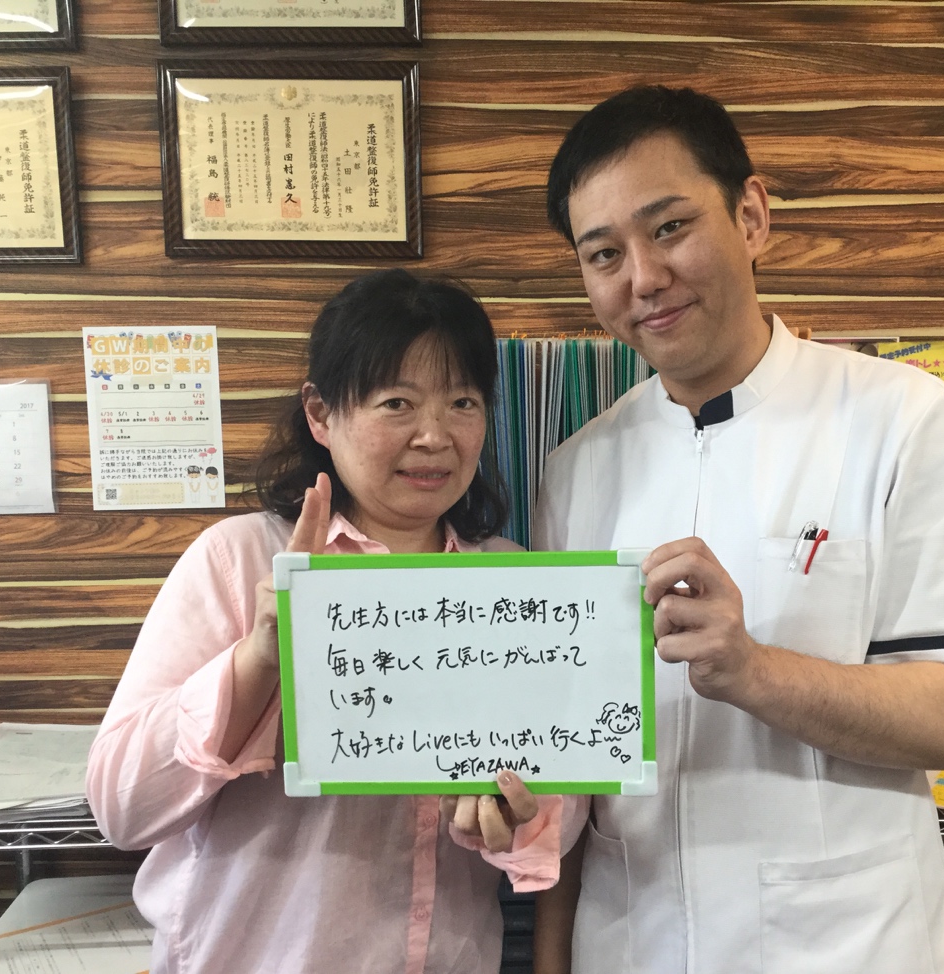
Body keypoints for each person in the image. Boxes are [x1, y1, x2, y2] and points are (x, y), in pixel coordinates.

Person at [531, 86, 944, 974]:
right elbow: (571, 760)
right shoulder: (576, 469)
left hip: (847, 945)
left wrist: (754, 671)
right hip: (632, 941)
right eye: (603, 254)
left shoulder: (902, 419)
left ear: (750, 216)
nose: (642, 277)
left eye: (669, 228)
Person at [87, 269, 582, 974]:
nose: (434, 436)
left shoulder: (511, 582)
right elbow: (122, 808)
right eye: (396, 403)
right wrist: (259, 658)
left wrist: (519, 811)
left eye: (463, 402)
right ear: (320, 414)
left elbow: (561, 820)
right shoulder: (239, 559)